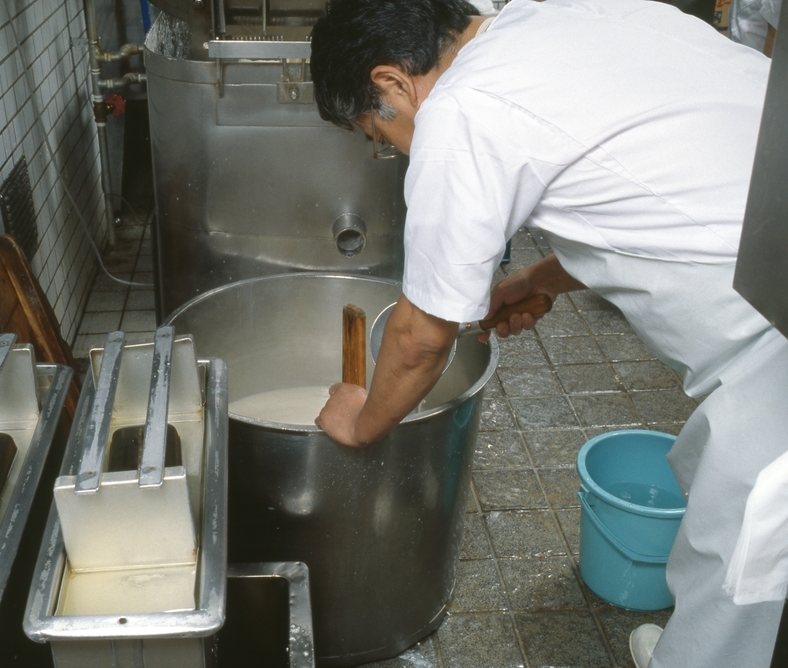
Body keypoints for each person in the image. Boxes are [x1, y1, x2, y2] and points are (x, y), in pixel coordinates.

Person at [308, 0, 788, 666]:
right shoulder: (562, 19)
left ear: (392, 83)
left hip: (775, 325)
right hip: (768, 269)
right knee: (733, 516)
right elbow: (657, 189)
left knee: (747, 552)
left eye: (376, 132)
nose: (390, 148)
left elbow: (419, 340)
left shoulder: (461, 110)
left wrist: (361, 423)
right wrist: (540, 279)